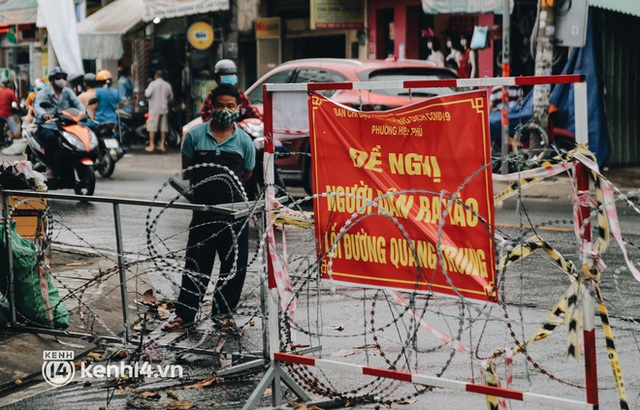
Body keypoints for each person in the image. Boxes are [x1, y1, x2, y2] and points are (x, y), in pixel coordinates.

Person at [163, 83, 255, 332]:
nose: (225, 110)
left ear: (238, 108)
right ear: (211, 106)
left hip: (234, 214)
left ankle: (224, 315)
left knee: (233, 267)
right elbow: (188, 171)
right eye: (220, 105)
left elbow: (246, 173)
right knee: (196, 264)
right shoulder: (194, 136)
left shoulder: (245, 141)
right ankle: (185, 315)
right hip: (203, 212)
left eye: (230, 106)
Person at [34, 67, 86, 178]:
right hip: (48, 125)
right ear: (52, 80)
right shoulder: (43, 93)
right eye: (59, 78)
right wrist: (44, 115)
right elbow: (38, 106)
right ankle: (49, 167)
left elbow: (78, 104)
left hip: (65, 125)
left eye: (64, 77)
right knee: (50, 138)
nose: (62, 80)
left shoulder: (68, 92)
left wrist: (84, 113)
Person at [144, 70, 173, 152]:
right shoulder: (167, 85)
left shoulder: (152, 84)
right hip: (164, 109)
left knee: (152, 128)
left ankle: (152, 145)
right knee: (163, 128)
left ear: (156, 76)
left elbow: (147, 94)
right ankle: (162, 145)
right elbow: (170, 98)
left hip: (154, 109)